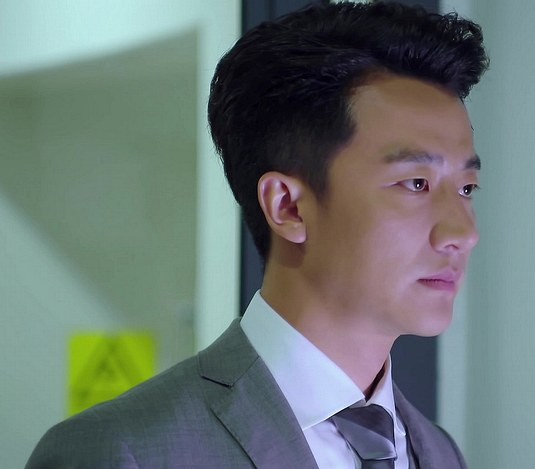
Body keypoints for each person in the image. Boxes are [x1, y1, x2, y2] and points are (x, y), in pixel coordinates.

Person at [26, 2, 487, 467]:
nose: (463, 232)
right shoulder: (124, 450)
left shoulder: (439, 452)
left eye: (466, 188)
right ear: (288, 207)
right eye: (416, 183)